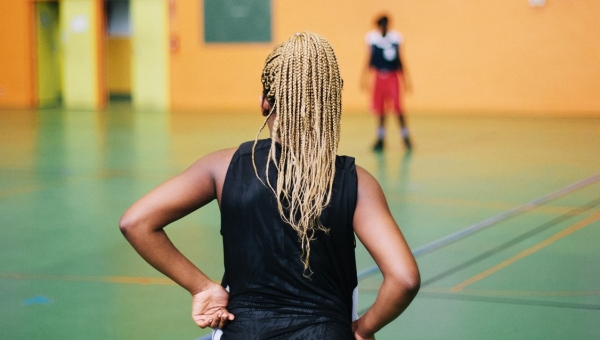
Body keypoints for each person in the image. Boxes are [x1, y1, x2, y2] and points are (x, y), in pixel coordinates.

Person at [119, 32, 420, 340]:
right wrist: (363, 330)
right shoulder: (357, 182)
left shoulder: (222, 167)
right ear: (330, 104)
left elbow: (136, 222)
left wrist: (202, 287)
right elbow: (404, 278)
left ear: (265, 102)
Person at [362, 14, 413, 152]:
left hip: (392, 76)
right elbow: (368, 58)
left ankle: (406, 137)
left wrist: (406, 79)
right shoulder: (372, 38)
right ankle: (380, 138)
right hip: (379, 76)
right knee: (380, 109)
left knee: (397, 108)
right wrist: (364, 77)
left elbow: (400, 59)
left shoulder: (395, 38)